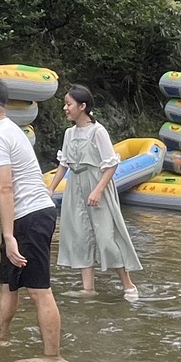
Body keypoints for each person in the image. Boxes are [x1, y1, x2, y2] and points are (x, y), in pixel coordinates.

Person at [0, 76, 65, 362]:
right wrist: (9, 233)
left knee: (38, 289)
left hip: (31, 216)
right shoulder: (10, 130)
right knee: (9, 283)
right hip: (28, 215)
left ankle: (53, 358)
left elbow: (5, 188)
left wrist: (9, 236)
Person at [55, 84, 142, 299]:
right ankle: (88, 288)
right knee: (80, 235)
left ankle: (129, 285)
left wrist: (97, 190)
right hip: (75, 187)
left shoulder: (98, 131)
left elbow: (111, 164)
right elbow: (64, 164)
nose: (65, 108)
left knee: (106, 236)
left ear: (82, 106)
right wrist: (49, 189)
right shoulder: (69, 133)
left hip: (97, 185)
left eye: (69, 104)